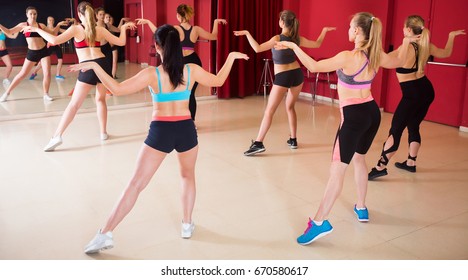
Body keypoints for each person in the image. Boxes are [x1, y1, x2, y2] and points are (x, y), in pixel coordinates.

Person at [67, 24, 248, 253]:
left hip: (161, 132)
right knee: (187, 176)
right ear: (178, 47)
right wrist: (230, 57)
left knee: (136, 184)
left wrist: (94, 65)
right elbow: (219, 81)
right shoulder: (191, 70)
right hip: (186, 131)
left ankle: (105, 233)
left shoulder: (152, 74)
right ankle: (186, 224)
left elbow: (117, 88)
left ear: (157, 47)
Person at [276, 12, 416, 245]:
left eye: (351, 26)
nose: (348, 30)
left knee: (337, 171)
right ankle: (361, 208)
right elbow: (398, 61)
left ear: (359, 31)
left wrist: (292, 44)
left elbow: (313, 65)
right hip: (371, 113)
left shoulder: (348, 57)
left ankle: (319, 222)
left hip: (352, 117)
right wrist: (407, 41)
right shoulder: (376, 55)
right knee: (359, 159)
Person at [22, 1, 135, 151]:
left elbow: (54, 40)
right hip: (103, 64)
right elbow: (121, 42)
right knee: (100, 99)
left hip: (87, 67)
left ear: (80, 15)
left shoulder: (76, 29)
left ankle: (57, 136)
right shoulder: (99, 29)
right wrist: (124, 28)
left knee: (74, 105)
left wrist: (34, 29)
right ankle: (103, 133)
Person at [368, 16, 465, 180]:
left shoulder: (405, 49)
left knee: (395, 130)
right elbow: (446, 53)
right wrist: (451, 36)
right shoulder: (426, 45)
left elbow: (384, 60)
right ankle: (411, 163)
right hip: (426, 91)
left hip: (412, 95)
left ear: (407, 29)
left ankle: (380, 167)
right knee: (413, 125)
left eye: (404, 27)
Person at [234, 10, 335, 156]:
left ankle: (258, 143)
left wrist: (248, 33)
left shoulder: (277, 38)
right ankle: (293, 140)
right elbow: (317, 44)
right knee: (290, 107)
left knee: (269, 111)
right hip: (297, 75)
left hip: (283, 76)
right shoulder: (297, 39)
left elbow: (257, 48)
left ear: (282, 22)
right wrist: (324, 31)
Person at [137, 3, 228, 122]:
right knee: (191, 94)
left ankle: (179, 118)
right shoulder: (196, 29)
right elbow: (214, 36)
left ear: (178, 16)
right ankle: (192, 122)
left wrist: (148, 22)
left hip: (180, 61)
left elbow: (159, 34)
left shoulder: (176, 29)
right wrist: (215, 22)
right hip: (194, 60)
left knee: (181, 93)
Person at [0, 6, 60, 102]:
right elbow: (9, 31)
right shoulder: (23, 25)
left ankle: (46, 94)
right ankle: (7, 93)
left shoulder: (41, 26)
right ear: (27, 14)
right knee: (22, 74)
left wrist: (59, 25)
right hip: (32, 52)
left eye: (35, 14)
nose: (33, 16)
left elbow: (53, 33)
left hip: (44, 51)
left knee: (47, 73)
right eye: (31, 14)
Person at [29, 16, 68, 81]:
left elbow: (65, 32)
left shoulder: (56, 28)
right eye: (50, 20)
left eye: (52, 20)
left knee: (60, 60)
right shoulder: (46, 28)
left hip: (57, 45)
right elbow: (52, 32)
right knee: (42, 61)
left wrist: (72, 30)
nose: (51, 21)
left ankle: (58, 74)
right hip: (49, 46)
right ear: (47, 21)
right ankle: (34, 72)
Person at [104, 13, 130, 79]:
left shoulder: (109, 26)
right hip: (106, 48)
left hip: (113, 46)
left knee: (114, 62)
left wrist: (122, 22)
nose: (109, 19)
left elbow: (119, 29)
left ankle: (113, 76)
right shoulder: (102, 27)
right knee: (105, 63)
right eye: (107, 17)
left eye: (109, 18)